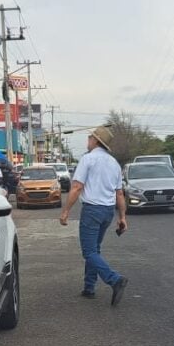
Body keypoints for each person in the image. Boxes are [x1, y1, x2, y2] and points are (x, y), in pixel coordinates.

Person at [59, 126, 129, 306]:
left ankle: (114, 279)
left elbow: (76, 187)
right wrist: (122, 218)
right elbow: (119, 193)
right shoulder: (114, 163)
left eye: (90, 137)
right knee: (94, 250)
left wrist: (66, 211)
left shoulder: (88, 159)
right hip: (107, 211)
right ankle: (89, 287)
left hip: (92, 210)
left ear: (96, 141)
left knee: (89, 251)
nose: (88, 140)